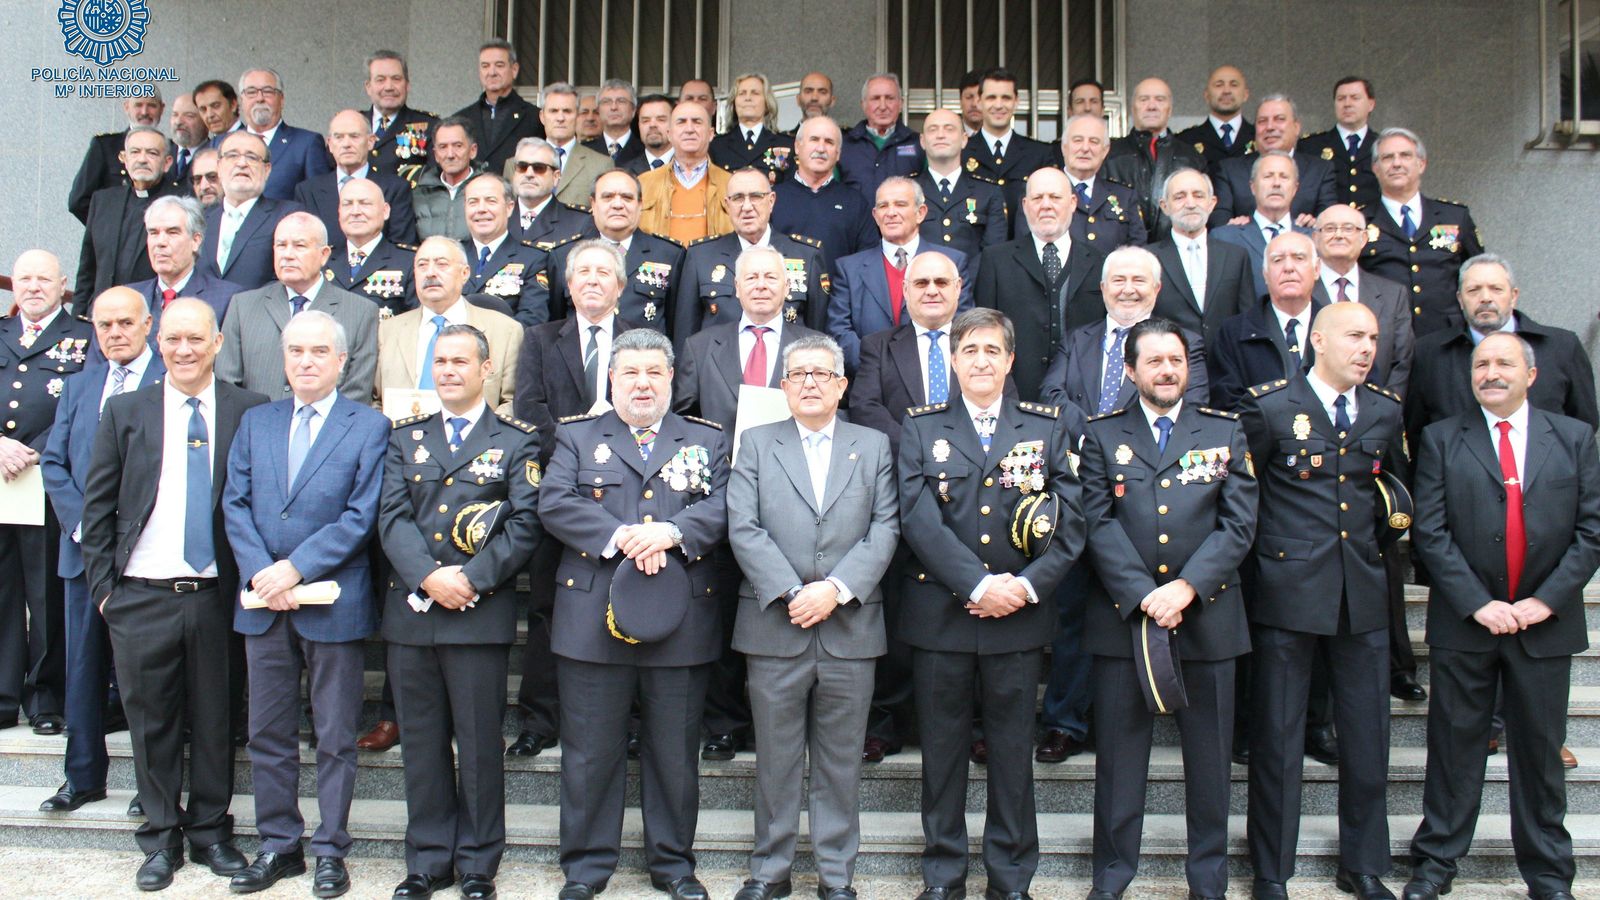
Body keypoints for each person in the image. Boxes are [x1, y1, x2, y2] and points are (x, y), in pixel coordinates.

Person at [1403, 331, 1600, 900]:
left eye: (1503, 363)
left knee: (1540, 756)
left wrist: (1546, 601)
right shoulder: (1442, 438)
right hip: (1468, 622)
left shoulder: (1574, 437)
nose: (1491, 372)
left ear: (1531, 375)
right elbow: (1430, 532)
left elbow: (1591, 531)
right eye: (1481, 364)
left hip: (1546, 623)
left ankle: (1547, 874)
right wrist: (1478, 603)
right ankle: (1436, 863)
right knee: (1453, 748)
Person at [80, 298, 268, 891]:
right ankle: (161, 838)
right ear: (158, 343)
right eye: (172, 339)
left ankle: (211, 831)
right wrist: (107, 593)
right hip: (141, 595)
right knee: (152, 722)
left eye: (195, 339)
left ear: (216, 343)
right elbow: (99, 508)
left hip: (217, 594)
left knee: (215, 718)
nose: (183, 350)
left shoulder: (249, 409)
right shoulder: (125, 410)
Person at [898, 308, 1085, 900]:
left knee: (1011, 757)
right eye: (969, 350)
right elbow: (916, 518)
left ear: (1009, 361)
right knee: (943, 757)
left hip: (1020, 619)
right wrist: (978, 586)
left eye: (992, 351)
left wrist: (1023, 588)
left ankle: (1009, 878)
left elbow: (1072, 522)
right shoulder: (921, 428)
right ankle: (944, 874)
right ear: (953, 360)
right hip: (942, 617)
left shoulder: (1046, 426)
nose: (980, 360)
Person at [539, 329, 729, 900]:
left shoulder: (706, 439)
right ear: (612, 380)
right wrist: (622, 536)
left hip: (682, 620)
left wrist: (673, 531)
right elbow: (554, 501)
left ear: (671, 378)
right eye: (630, 373)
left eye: (654, 372)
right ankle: (587, 867)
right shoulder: (576, 437)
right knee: (592, 752)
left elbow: (725, 503)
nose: (642, 383)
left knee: (674, 753)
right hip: (592, 619)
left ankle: (673, 865)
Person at [1078, 317, 1257, 900]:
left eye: (1175, 360)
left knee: (1209, 767)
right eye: (1153, 361)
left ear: (1189, 367)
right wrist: (1142, 593)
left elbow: (1238, 525)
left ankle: (1208, 881)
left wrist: (1186, 588)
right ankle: (1112, 879)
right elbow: (1096, 523)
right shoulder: (1103, 435)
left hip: (1207, 620)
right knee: (1119, 766)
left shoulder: (1223, 431)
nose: (1166, 370)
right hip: (1124, 620)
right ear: (1130, 372)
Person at [1239, 301, 1405, 900]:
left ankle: (1362, 863)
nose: (1367, 347)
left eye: (1374, 338)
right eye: (1355, 335)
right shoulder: (1270, 406)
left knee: (1367, 736)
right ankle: (1272, 870)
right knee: (1279, 738)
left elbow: (1392, 501)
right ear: (1318, 339)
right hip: (1287, 593)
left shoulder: (1385, 411)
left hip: (1361, 593)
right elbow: (1245, 500)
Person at [221, 310, 390, 896]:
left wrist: (297, 567)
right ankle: (278, 845)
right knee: (267, 731)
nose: (307, 362)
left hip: (331, 599)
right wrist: (265, 575)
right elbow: (235, 504)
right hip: (264, 601)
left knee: (335, 734)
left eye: (320, 351)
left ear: (342, 361)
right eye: (296, 351)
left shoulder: (369, 427)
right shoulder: (256, 422)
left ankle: (329, 850)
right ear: (283, 358)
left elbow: (361, 515)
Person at [727, 334, 899, 900]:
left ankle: (835, 875)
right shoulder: (755, 443)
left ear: (842, 385)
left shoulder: (873, 445)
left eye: (821, 374)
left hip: (850, 627)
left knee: (841, 760)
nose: (808, 383)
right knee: (775, 760)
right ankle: (769, 871)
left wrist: (836, 590)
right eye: (797, 374)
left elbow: (885, 528)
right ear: (782, 385)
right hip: (776, 626)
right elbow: (743, 528)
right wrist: (790, 591)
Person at [378, 323, 543, 900]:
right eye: (439, 362)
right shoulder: (403, 437)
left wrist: (468, 580)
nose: (448, 371)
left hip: (478, 611)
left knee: (477, 745)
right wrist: (428, 575)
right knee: (421, 743)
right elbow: (391, 519)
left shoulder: (517, 441)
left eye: (459, 361)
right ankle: (426, 859)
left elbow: (526, 525)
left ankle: (477, 862)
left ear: (485, 368)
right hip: (414, 612)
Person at [674, 247, 825, 759]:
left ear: (789, 287)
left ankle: (781, 723)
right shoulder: (699, 345)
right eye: (751, 277)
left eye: (771, 276)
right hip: (723, 498)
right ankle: (725, 723)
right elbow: (684, 416)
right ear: (734, 289)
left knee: (785, 608)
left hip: (801, 500)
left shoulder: (814, 346)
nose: (761, 284)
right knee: (720, 613)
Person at [507, 240, 641, 758]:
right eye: (582, 271)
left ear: (620, 285)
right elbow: (531, 410)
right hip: (560, 494)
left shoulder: (643, 340)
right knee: (546, 608)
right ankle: (540, 719)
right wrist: (583, 461)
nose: (592, 279)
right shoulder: (541, 339)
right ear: (567, 283)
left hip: (633, 496)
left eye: (603, 272)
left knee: (630, 605)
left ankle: (630, 721)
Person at [39, 287, 162, 816]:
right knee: (83, 668)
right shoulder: (79, 385)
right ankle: (82, 776)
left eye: (124, 323)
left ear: (147, 324)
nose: (114, 332)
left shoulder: (169, 381)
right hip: (85, 553)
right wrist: (84, 525)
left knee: (147, 676)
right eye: (104, 324)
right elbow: (54, 463)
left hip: (148, 555)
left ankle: (150, 787)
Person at [845, 251, 970, 762]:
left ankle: (969, 723)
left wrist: (952, 460)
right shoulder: (878, 346)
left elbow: (995, 404)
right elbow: (866, 408)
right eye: (922, 283)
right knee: (896, 609)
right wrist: (922, 454)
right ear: (905, 292)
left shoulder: (979, 343)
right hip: (897, 491)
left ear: (959, 289)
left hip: (970, 495)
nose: (933, 290)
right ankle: (889, 720)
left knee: (965, 600)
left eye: (942, 281)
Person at [0, 251, 94, 738]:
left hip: (47, 481)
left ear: (62, 285)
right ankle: (3, 694)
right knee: (3, 592)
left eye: (43, 279)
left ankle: (46, 696)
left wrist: (36, 451)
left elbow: (90, 403)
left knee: (46, 591)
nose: (33, 287)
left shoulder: (83, 337)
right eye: (24, 279)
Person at [1406, 254, 1597, 439]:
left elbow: (1584, 424)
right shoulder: (1428, 353)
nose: (1485, 298)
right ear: (1460, 299)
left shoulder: (1562, 347)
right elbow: (1417, 430)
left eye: (1496, 289)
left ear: (1514, 296)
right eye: (1473, 290)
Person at [216, 212, 379, 402]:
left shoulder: (360, 311)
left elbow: (357, 392)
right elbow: (227, 387)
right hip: (257, 427)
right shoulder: (242, 307)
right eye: (281, 245)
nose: (288, 255)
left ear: (324, 254)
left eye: (299, 246)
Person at [974, 167, 1105, 398]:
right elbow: (985, 333)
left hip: (1082, 398)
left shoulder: (1099, 261)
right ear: (1025, 206)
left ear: (1073, 202)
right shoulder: (995, 260)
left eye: (1055, 197)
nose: (1046, 205)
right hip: (1015, 399)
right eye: (1037, 198)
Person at [828, 177, 974, 371]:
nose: (891, 212)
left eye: (900, 204)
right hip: (869, 381)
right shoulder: (848, 268)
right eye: (883, 206)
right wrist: (878, 369)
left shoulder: (952, 262)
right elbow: (839, 332)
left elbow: (963, 326)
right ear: (875, 215)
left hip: (934, 376)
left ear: (921, 213)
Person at [672, 167, 830, 338]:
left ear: (771, 201)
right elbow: (685, 338)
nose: (747, 207)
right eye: (738, 198)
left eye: (756, 196)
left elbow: (818, 336)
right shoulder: (700, 257)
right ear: (727, 205)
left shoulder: (806, 256)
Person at [1358, 127, 1485, 338]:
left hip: (1448, 337)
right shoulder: (1359, 221)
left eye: (1405, 155)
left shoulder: (1454, 216)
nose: (1396, 163)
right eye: (1387, 157)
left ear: (1421, 164)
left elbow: (1478, 271)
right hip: (1384, 337)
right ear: (1375, 168)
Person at [376, 236, 524, 416]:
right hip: (399, 439)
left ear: (464, 273)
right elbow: (374, 399)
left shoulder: (505, 331)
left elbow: (513, 402)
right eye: (422, 265)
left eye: (441, 264)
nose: (430, 273)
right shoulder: (387, 331)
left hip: (479, 440)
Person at [544, 170, 686, 332]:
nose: (618, 205)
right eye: (608, 197)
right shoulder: (564, 255)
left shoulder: (669, 255)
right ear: (593, 204)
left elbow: (679, 326)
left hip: (643, 354)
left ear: (640, 205)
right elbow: (556, 325)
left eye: (627, 197)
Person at [1210, 231, 1328, 410]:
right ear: (1265, 274)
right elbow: (1227, 402)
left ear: (1317, 269)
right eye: (1277, 260)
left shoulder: (1338, 328)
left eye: (1299, 258)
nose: (1288, 267)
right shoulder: (1233, 333)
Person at [1147, 168, 1255, 356]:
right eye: (1180, 197)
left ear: (1211, 203)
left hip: (1227, 368)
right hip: (1170, 368)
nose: (1190, 204)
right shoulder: (1148, 259)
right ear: (1164, 206)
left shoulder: (1236, 256)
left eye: (1198, 195)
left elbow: (1247, 320)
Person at [76, 126, 180, 299]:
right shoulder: (103, 201)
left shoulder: (180, 204)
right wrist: (80, 318)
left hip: (150, 314)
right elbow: (87, 269)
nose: (142, 160)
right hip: (101, 313)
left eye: (152, 153)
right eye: (135, 152)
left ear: (167, 162)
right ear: (123, 158)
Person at [293, 109, 419, 247]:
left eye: (354, 136)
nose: (346, 144)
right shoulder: (308, 191)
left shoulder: (396, 188)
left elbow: (400, 246)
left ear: (371, 141)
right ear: (329, 144)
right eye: (339, 137)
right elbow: (304, 244)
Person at [1102, 78, 1207, 242]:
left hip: (1176, 251)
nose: (1151, 106)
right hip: (1125, 251)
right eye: (1144, 100)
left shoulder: (1191, 157)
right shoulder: (1110, 154)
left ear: (1170, 109)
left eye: (1160, 99)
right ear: (1132, 108)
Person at [200, 131, 307, 290]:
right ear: (219, 167)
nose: (242, 163)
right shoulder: (200, 220)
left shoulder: (288, 216)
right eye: (232, 155)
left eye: (251, 157)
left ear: (267, 170)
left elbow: (291, 280)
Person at [1211, 94, 1337, 227]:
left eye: (1279, 119)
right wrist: (1232, 227)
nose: (1270, 127)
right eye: (1262, 121)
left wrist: (1315, 224)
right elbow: (1219, 221)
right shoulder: (1231, 170)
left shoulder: (1320, 170)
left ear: (1296, 127)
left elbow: (1330, 220)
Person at [771, 116, 876, 272]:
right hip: (783, 295)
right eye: (814, 139)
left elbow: (867, 261)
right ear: (797, 146)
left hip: (840, 295)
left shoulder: (855, 203)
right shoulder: (773, 199)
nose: (821, 148)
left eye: (829, 142)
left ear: (838, 153)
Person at [127, 195, 243, 331]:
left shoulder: (228, 299)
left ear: (196, 241)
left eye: (172, 232)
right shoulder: (128, 298)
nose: (160, 242)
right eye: (154, 233)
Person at [964, 68, 1059, 231]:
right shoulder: (962, 152)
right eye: (991, 97)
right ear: (979, 101)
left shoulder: (1039, 153)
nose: (999, 105)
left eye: (1006, 98)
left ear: (1016, 101)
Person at [1211, 151, 1313, 298]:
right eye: (1268, 176)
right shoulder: (1225, 237)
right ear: (1252, 187)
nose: (1276, 183)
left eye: (1284, 177)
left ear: (1295, 188)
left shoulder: (1313, 237)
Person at [915, 109, 1008, 266]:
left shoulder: (988, 192)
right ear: (922, 141)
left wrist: (964, 284)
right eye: (933, 129)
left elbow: (994, 251)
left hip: (974, 287)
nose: (940, 135)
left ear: (964, 139)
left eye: (949, 129)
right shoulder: (908, 191)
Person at [461, 174, 550, 326]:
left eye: (491, 201)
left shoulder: (533, 259)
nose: (481, 209)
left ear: (509, 208)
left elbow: (532, 318)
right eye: (473, 202)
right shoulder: (450, 255)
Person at [639, 101, 734, 244]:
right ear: (669, 134)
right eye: (681, 122)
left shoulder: (731, 184)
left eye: (697, 122)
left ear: (710, 134)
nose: (689, 129)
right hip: (659, 265)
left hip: (714, 265)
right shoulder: (643, 183)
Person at [324, 176, 418, 320]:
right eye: (347, 204)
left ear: (385, 211)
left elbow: (415, 322)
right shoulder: (322, 260)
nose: (355, 211)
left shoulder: (409, 262)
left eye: (365, 203)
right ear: (339, 212)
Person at [236, 68, 335, 201]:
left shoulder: (307, 143)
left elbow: (319, 201)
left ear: (281, 99)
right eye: (251, 92)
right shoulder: (222, 144)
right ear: (241, 101)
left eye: (268, 91)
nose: (260, 98)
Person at [1048, 114, 1146, 248]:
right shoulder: (1042, 191)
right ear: (1064, 147)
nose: (1085, 148)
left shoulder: (1125, 196)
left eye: (1094, 141)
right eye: (1077, 140)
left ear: (1105, 151)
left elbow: (1137, 249)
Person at [69, 90, 167, 223]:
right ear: (127, 107)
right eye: (138, 105)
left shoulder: (172, 149)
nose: (144, 112)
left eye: (151, 105)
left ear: (162, 109)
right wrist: (108, 231)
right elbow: (79, 201)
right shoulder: (105, 146)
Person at [452, 39, 545, 174]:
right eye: (485, 66)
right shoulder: (461, 119)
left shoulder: (535, 118)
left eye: (499, 65)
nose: (492, 72)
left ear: (514, 70)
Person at [838, 73, 924, 205]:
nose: (883, 106)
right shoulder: (844, 146)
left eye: (889, 98)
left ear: (901, 103)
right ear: (863, 105)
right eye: (875, 99)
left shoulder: (919, 144)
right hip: (856, 225)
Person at [1300, 77, 1381, 209]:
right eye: (1341, 99)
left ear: (1371, 104)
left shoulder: (1383, 146)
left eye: (1355, 98)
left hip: (1372, 225)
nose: (1347, 104)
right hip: (1327, 225)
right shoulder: (1311, 146)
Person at [362, 50, 439, 180]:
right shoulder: (350, 124)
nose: (389, 87)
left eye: (396, 79)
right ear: (368, 87)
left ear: (407, 85)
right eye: (380, 80)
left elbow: (434, 178)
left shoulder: (431, 126)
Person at [412, 116, 489, 242]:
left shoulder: (490, 190)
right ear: (435, 154)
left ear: (473, 151)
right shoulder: (419, 194)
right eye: (443, 147)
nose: (450, 155)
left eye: (458, 146)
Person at [534, 82, 610, 208]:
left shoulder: (601, 165)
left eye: (567, 111)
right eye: (553, 111)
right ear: (542, 117)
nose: (560, 118)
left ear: (577, 116)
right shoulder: (517, 164)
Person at [710, 73, 796, 184]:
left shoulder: (786, 144)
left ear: (767, 102)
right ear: (734, 103)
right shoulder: (716, 146)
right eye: (742, 93)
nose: (748, 98)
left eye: (755, 93)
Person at [508, 137, 591, 246]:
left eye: (539, 168)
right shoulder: (497, 217)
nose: (529, 174)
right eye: (522, 167)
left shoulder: (580, 222)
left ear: (556, 177)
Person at [1175, 66, 1254, 170]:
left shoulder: (1259, 137)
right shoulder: (1185, 141)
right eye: (1219, 85)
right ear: (1206, 95)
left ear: (1245, 94)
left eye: (1234, 85)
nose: (1226, 91)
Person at [584, 79, 644, 166]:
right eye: (606, 102)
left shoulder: (646, 150)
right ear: (598, 110)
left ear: (633, 110)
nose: (613, 107)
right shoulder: (584, 150)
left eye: (621, 101)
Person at [625, 94, 678, 175]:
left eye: (661, 119)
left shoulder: (692, 167)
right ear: (638, 125)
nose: (652, 125)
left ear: (675, 123)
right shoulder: (625, 172)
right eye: (645, 120)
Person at [167, 93, 210, 188]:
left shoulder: (215, 155)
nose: (178, 122)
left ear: (206, 121)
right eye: (175, 115)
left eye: (189, 116)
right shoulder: (163, 153)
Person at [194, 79, 240, 143]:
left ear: (233, 105)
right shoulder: (204, 149)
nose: (209, 115)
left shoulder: (253, 141)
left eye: (216, 106)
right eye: (203, 109)